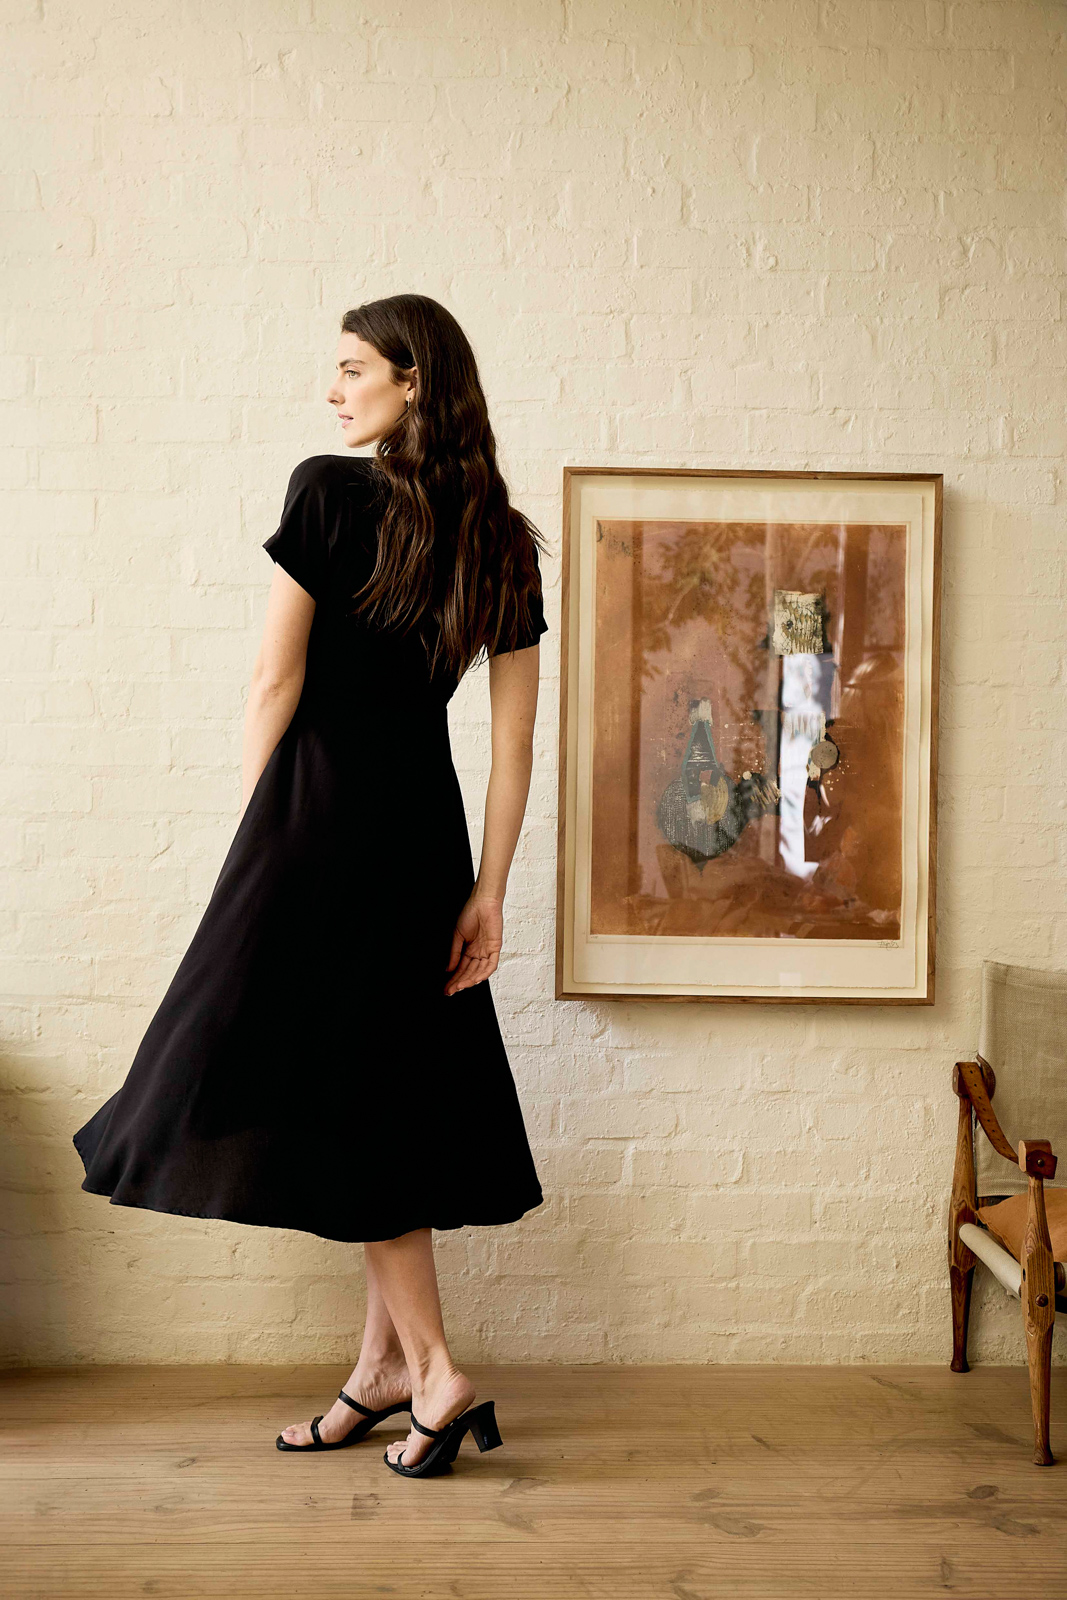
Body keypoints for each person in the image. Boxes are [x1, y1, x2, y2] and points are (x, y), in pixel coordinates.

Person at [72, 294, 548, 1479]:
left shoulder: (328, 493)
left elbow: (272, 684)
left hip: (317, 826)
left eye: (350, 369)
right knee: (375, 1089)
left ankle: (434, 1371)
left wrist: (258, 837)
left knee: (335, 1096)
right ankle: (378, 1370)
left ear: (412, 382)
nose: (331, 392)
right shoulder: (500, 535)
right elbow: (514, 743)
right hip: (425, 839)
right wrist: (489, 891)